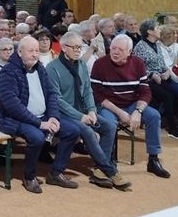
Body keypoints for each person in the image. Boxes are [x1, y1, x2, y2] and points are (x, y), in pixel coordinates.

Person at [46, 32, 131, 190]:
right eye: (75, 47)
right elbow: (57, 100)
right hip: (63, 113)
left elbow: (87, 91)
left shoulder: (81, 65)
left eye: (80, 47)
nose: (79, 50)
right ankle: (111, 171)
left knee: (109, 126)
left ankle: (99, 172)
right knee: (87, 131)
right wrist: (80, 116)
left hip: (83, 111)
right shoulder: (52, 68)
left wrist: (92, 111)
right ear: (64, 48)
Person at [0, 37, 75, 193]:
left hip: (42, 117)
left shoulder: (40, 69)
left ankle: (56, 173)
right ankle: (29, 176)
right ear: (19, 52)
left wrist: (53, 117)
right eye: (30, 51)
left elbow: (52, 94)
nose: (34, 54)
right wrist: (39, 124)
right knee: (37, 137)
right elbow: (12, 106)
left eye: (37, 51)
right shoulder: (8, 71)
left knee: (72, 131)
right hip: (14, 119)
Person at [91, 35, 171, 179]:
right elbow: (97, 95)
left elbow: (145, 91)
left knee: (154, 116)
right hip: (109, 106)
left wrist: (138, 111)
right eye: (113, 48)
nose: (115, 52)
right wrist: (120, 113)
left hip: (131, 104)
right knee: (109, 123)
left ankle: (153, 160)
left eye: (120, 50)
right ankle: (104, 163)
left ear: (129, 52)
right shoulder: (100, 64)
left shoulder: (138, 64)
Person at [132, 19, 178, 139]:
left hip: (162, 78)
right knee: (168, 96)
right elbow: (136, 68)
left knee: (177, 93)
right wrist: (152, 75)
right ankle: (172, 128)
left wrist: (166, 71)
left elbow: (162, 63)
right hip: (147, 81)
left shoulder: (157, 44)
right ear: (150, 32)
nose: (159, 31)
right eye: (157, 28)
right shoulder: (140, 46)